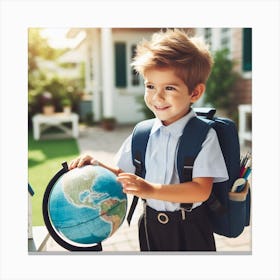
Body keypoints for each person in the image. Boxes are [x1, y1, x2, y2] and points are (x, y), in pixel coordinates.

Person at [69, 29, 228, 251]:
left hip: (191, 227)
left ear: (195, 93)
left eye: (169, 88)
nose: (156, 97)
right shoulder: (142, 133)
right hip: (150, 225)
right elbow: (125, 176)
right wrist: (97, 165)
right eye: (150, 85)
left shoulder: (203, 136)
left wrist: (150, 189)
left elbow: (200, 190)